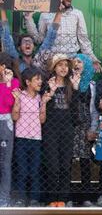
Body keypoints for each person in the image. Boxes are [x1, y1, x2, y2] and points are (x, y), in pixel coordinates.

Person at [24, 0, 102, 72]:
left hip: (72, 59)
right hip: (52, 60)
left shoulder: (77, 14)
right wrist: (28, 19)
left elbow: (83, 40)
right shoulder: (45, 15)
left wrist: (93, 59)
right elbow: (39, 39)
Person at [42, 53, 80, 207]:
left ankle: (62, 199)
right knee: (52, 166)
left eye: (66, 65)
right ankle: (51, 199)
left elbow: (76, 113)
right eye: (60, 65)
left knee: (65, 165)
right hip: (51, 130)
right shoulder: (47, 84)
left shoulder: (71, 85)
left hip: (67, 130)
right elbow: (44, 107)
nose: (64, 68)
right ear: (54, 68)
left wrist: (76, 89)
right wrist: (51, 92)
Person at [11, 67, 49, 207]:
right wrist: (17, 101)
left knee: (35, 170)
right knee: (22, 169)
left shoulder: (40, 98)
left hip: (36, 139)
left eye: (41, 79)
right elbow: (15, 116)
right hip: (21, 138)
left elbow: (42, 120)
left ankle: (34, 199)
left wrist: (44, 103)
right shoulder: (20, 95)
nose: (40, 82)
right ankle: (20, 198)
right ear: (28, 82)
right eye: (37, 79)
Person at [0, 0, 60, 73]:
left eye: (30, 42)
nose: (27, 43)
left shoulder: (38, 59)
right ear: (19, 48)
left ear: (34, 47)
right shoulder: (16, 60)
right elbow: (6, 38)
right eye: (24, 42)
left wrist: (60, 12)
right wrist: (2, 7)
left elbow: (50, 38)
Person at [71, 54, 99, 206]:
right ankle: (68, 196)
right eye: (74, 61)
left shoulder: (92, 85)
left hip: (85, 126)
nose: (76, 63)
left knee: (85, 160)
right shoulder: (68, 83)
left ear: (86, 65)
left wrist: (93, 128)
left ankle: (86, 197)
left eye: (79, 61)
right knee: (67, 159)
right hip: (71, 126)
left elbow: (94, 110)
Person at [0, 52, 20, 206]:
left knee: (5, 162)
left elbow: (7, 104)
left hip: (5, 122)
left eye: (5, 67)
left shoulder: (14, 83)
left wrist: (7, 84)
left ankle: (4, 197)